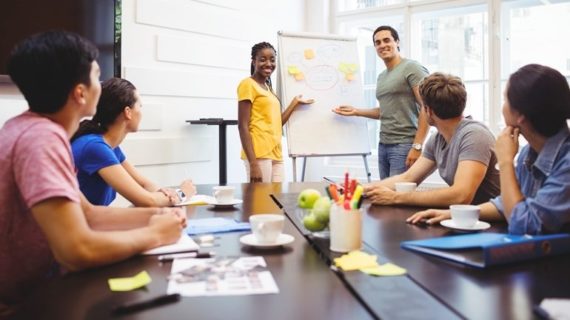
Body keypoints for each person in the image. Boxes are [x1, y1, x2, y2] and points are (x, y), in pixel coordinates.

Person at [0, 31, 185, 315]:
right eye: (96, 76)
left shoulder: (29, 129)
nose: (101, 85)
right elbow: (76, 251)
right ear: (80, 93)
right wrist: (154, 235)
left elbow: (88, 214)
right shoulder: (42, 140)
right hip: (29, 302)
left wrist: (156, 216)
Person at [408, 64, 570, 235]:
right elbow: (504, 204)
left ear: (520, 115)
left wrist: (506, 162)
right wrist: (451, 214)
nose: (503, 107)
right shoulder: (528, 154)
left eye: (506, 100)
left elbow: (524, 224)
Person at [364, 72, 500, 207]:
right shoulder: (437, 139)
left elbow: (461, 195)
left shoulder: (475, 136)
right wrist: (360, 189)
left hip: (498, 224)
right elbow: (407, 178)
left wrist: (396, 197)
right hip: (467, 218)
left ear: (428, 111)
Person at [71, 77, 196, 206]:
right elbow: (147, 201)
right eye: (139, 107)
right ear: (128, 112)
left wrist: (164, 193)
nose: (141, 113)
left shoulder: (109, 147)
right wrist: (182, 194)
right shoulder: (95, 148)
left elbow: (144, 184)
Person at [333, 25, 429, 179]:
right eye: (377, 42)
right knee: (385, 195)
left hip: (404, 144)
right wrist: (356, 111)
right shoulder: (382, 76)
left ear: (397, 42)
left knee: (398, 196)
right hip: (383, 145)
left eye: (386, 40)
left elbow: (428, 107)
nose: (382, 45)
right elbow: (385, 110)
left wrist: (417, 146)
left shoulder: (412, 67)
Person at [238, 42, 314, 183]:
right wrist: (253, 163)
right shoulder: (247, 84)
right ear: (254, 61)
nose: (268, 63)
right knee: (261, 201)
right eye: (263, 59)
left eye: (272, 60)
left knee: (276, 201)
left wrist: (294, 103)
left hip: (276, 152)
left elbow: (277, 124)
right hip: (259, 154)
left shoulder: (268, 88)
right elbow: (242, 126)